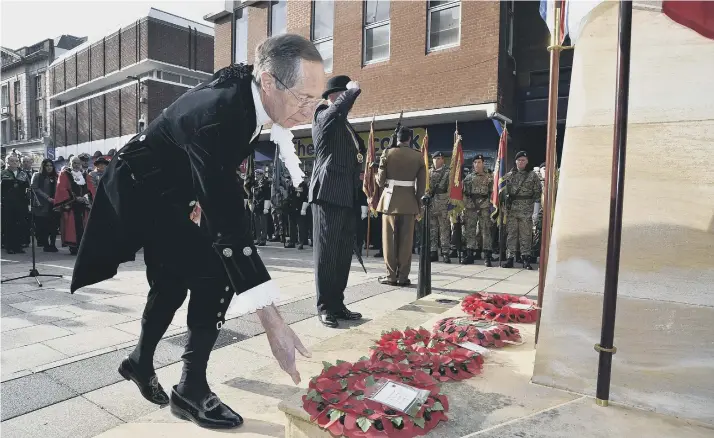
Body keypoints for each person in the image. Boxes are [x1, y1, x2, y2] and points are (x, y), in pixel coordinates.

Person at [70, 34, 325, 430]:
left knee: (172, 280)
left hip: (168, 190)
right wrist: (275, 325)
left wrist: (193, 198)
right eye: (304, 99)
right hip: (142, 190)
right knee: (213, 273)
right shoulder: (221, 116)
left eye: (316, 100)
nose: (309, 111)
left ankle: (140, 361)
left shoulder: (250, 89)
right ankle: (191, 387)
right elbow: (231, 230)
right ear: (270, 81)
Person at [309, 74, 365, 328]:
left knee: (342, 254)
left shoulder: (346, 126)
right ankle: (324, 306)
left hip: (346, 195)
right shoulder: (323, 114)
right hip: (328, 193)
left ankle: (337, 303)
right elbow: (336, 111)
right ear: (335, 96)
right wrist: (351, 92)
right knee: (326, 253)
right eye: (343, 96)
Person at [375, 127, 426, 286]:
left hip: (389, 202)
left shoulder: (387, 153)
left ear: (397, 138)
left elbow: (380, 181)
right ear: (410, 139)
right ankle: (403, 277)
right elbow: (422, 186)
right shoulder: (418, 156)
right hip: (409, 202)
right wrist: (418, 204)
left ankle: (391, 276)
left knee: (389, 241)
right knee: (406, 242)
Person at [502, 151, 541, 269]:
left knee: (526, 235)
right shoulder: (509, 175)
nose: (521, 162)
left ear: (527, 161)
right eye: (519, 160)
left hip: (526, 210)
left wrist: (535, 209)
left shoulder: (532, 175)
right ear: (516, 161)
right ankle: (510, 258)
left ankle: (526, 259)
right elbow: (503, 192)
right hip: (512, 210)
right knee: (511, 235)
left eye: (523, 160)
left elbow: (538, 193)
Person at [55, 155, 94, 255]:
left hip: (83, 205)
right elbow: (61, 188)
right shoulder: (64, 174)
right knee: (72, 227)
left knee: (84, 225)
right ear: (70, 163)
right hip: (71, 205)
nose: (76, 165)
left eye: (78, 163)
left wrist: (86, 198)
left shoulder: (85, 175)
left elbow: (91, 189)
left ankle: (83, 246)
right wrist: (75, 198)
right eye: (74, 163)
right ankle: (73, 248)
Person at [462, 155, 493, 266]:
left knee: (485, 230)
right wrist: (468, 205)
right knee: (470, 230)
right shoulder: (468, 178)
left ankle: (487, 255)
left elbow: (492, 193)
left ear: (483, 163)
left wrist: (488, 204)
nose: (477, 164)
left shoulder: (489, 177)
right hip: (471, 207)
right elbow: (464, 194)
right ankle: (470, 253)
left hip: (484, 207)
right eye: (475, 162)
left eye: (479, 162)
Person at [1, 155, 31, 254]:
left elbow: (28, 187)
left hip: (21, 203)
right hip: (7, 204)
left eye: (16, 161)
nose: (15, 163)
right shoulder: (3, 173)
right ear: (7, 162)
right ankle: (9, 246)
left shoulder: (22, 174)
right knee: (9, 225)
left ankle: (18, 246)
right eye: (12, 161)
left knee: (20, 224)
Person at [31, 159, 60, 252]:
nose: (49, 167)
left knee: (54, 225)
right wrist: (47, 198)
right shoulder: (37, 175)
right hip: (42, 205)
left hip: (54, 204)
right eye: (47, 165)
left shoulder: (56, 176)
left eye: (51, 165)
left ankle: (52, 244)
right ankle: (45, 244)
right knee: (44, 226)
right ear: (43, 166)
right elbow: (35, 188)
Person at [428, 152, 451, 263]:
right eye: (434, 158)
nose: (436, 160)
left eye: (439, 158)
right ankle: (433, 252)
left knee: (444, 229)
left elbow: (451, 190)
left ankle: (445, 252)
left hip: (443, 205)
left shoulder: (448, 172)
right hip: (431, 205)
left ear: (443, 160)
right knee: (432, 230)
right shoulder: (428, 172)